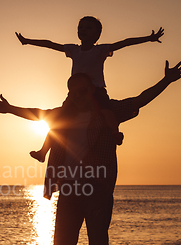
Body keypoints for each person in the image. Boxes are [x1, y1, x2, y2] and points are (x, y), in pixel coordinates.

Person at [0, 60, 181, 245]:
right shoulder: (61, 117)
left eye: (82, 90)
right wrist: (10, 108)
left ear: (91, 90)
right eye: (72, 91)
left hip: (98, 187)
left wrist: (166, 80)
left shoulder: (108, 114)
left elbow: (139, 101)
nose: (77, 95)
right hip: (70, 186)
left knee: (98, 242)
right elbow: (36, 114)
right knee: (62, 243)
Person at [16, 16, 164, 163]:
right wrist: (28, 41)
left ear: (97, 35)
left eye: (88, 28)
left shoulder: (100, 50)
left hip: (96, 90)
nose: (83, 30)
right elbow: (50, 44)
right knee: (59, 120)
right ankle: (43, 152)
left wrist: (148, 38)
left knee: (107, 112)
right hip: (75, 93)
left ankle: (115, 134)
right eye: (80, 27)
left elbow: (125, 43)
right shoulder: (73, 49)